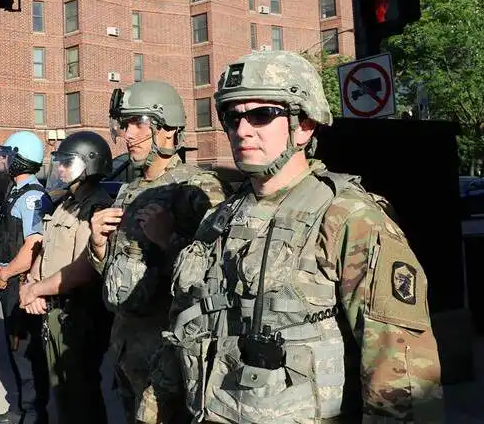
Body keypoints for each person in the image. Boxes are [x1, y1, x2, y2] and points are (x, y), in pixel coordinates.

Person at [162, 51, 444, 423]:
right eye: (232, 117)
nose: (242, 130)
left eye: (261, 115)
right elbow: (185, 327)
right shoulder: (219, 218)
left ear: (304, 126)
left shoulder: (347, 217)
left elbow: (402, 366)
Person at [87, 81, 229, 424]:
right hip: (125, 349)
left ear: (167, 129)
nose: (127, 134)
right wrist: (97, 245)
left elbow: (217, 276)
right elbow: (116, 274)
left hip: (167, 360)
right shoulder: (127, 191)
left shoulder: (196, 188)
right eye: (124, 124)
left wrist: (168, 239)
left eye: (138, 123)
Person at [19, 131, 115, 424]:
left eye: (67, 163)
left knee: (79, 394)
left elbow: (84, 268)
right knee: (61, 391)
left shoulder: (96, 208)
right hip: (55, 310)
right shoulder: (65, 202)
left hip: (79, 314)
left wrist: (36, 290)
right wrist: (31, 284)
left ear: (90, 165)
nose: (59, 169)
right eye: (58, 162)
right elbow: (45, 248)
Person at [0, 131, 52, 424]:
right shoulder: (15, 192)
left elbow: (33, 245)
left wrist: (6, 272)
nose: (5, 159)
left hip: (21, 284)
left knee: (25, 350)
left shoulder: (33, 196)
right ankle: (21, 408)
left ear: (21, 158)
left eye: (9, 154)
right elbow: (7, 239)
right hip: (7, 279)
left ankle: (34, 412)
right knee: (15, 348)